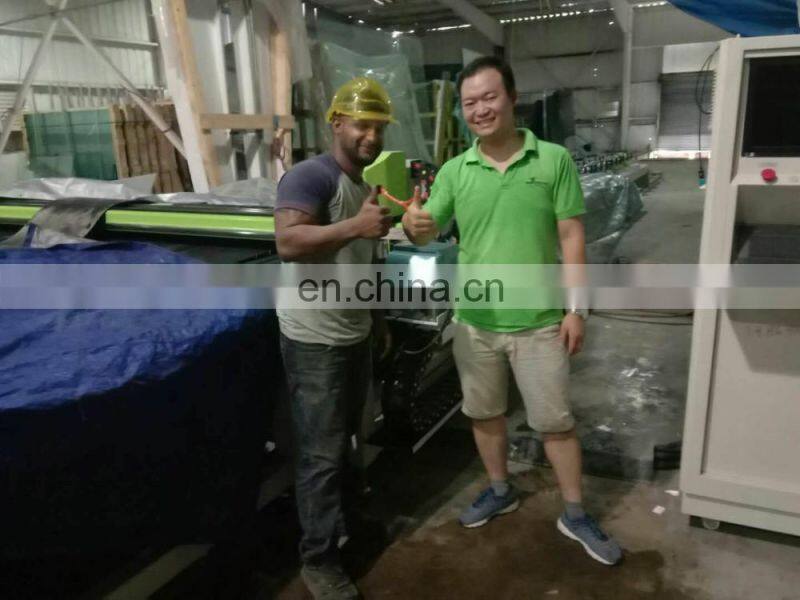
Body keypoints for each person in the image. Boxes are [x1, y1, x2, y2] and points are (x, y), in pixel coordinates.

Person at [403, 56, 622, 566]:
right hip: (475, 322)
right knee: (484, 413)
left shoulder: (552, 160)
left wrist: (576, 309)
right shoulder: (456, 170)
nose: (480, 110)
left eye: (489, 97)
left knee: (555, 422)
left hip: (540, 321)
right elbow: (428, 229)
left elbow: (572, 237)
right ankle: (500, 489)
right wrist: (414, 224)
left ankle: (575, 512)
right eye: (469, 103)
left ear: (512, 98)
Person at [274, 77, 394, 599]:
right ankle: (318, 559)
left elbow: (368, 259)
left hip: (354, 333)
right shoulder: (310, 177)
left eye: (379, 127)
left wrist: (378, 320)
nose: (372, 136)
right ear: (337, 123)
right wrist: (355, 227)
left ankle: (352, 524)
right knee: (320, 455)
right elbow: (288, 241)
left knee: (349, 442)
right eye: (363, 125)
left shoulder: (369, 184)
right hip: (314, 339)